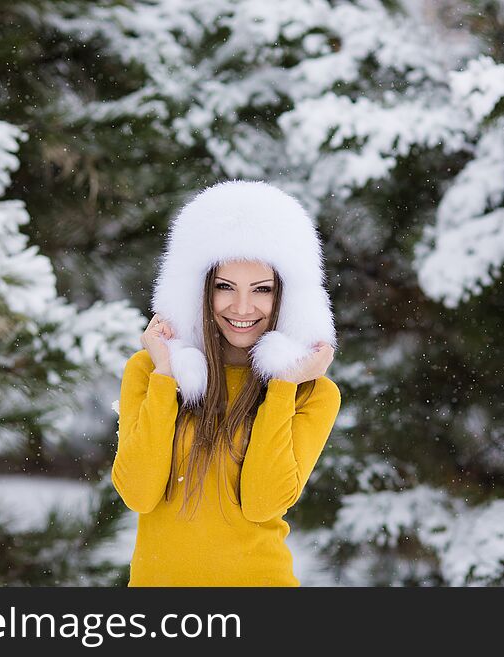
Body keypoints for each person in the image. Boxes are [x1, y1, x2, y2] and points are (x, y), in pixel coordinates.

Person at [112, 180, 342, 586]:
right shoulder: (149, 372)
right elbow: (138, 492)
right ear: (198, 290)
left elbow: (262, 502)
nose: (242, 308)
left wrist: (282, 385)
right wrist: (166, 374)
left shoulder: (312, 391)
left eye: (262, 290)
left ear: (287, 298)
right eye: (224, 287)